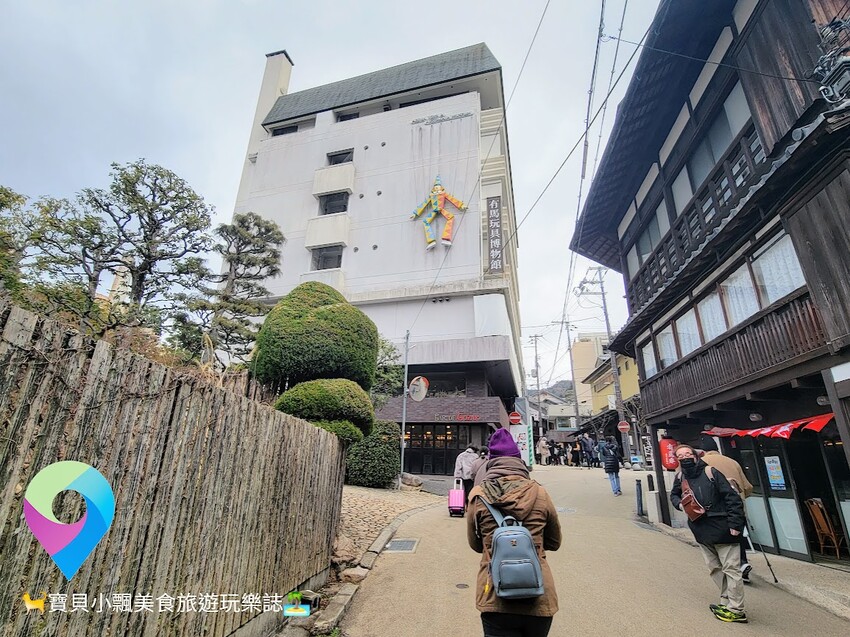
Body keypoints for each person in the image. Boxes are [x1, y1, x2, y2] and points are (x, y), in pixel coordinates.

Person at [467, 428, 561, 636]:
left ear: (491, 462)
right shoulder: (540, 493)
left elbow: (475, 544)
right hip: (539, 593)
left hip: (494, 594)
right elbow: (554, 542)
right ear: (518, 460)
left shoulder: (478, 496)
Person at [670, 444, 748, 623]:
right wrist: (680, 504)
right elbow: (674, 494)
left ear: (696, 455)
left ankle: (737, 609)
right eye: (680, 456)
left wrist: (735, 524)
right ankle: (726, 600)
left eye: (688, 454)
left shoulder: (711, 472)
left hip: (723, 526)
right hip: (700, 529)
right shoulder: (681, 476)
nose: (685, 458)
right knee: (714, 567)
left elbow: (732, 498)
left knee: (731, 568)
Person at [699, 435, 755, 582]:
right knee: (738, 536)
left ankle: (735, 568)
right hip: (737, 506)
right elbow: (748, 487)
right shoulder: (732, 462)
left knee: (723, 541)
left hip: (716, 510)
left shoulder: (702, 463)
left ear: (702, 451)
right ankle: (742, 564)